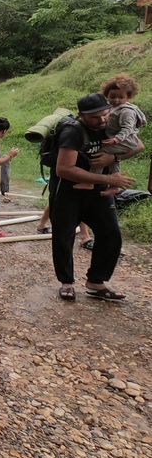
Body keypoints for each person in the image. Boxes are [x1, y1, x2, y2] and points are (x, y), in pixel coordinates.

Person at [50, 93, 138, 302]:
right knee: (64, 237)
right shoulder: (73, 132)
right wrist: (109, 178)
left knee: (111, 234)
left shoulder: (112, 125)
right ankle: (66, 283)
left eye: (105, 114)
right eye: (95, 117)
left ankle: (96, 281)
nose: (102, 120)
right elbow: (64, 169)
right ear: (82, 116)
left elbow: (137, 145)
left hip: (98, 191)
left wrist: (113, 157)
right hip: (68, 191)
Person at [74, 74, 146, 192]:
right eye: (112, 96)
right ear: (106, 95)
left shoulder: (127, 111)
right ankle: (114, 186)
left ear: (128, 97)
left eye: (120, 97)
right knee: (112, 160)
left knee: (101, 154)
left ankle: (90, 182)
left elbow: (128, 128)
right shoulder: (112, 107)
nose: (116, 100)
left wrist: (116, 139)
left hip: (124, 140)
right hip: (119, 139)